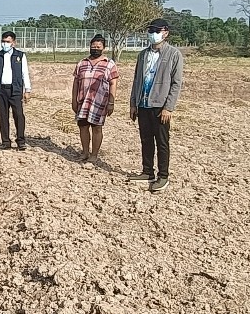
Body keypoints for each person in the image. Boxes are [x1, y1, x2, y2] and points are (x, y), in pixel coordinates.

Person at [127, 18, 185, 192]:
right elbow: (137, 80)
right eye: (151, 31)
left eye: (156, 31)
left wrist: (169, 107)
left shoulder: (174, 54)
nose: (153, 34)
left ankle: (163, 176)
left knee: (162, 142)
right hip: (143, 104)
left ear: (165, 33)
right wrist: (133, 103)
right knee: (145, 140)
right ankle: (147, 171)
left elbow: (176, 83)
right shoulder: (143, 55)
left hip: (160, 107)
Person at [71, 34, 120, 164]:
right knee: (83, 127)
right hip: (83, 101)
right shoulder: (82, 63)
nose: (95, 49)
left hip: (100, 102)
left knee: (97, 128)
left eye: (98, 47)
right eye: (93, 46)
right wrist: (74, 100)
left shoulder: (109, 64)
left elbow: (113, 83)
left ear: (103, 48)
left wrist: (111, 102)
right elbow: (76, 82)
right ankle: (85, 152)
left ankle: (94, 155)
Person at [0, 30, 32, 150]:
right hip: (1, 90)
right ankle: (5, 142)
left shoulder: (20, 56)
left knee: (19, 115)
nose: (5, 44)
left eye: (8, 42)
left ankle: (21, 141)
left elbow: (25, 73)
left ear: (13, 43)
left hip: (15, 89)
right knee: (3, 116)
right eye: (3, 41)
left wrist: (27, 90)